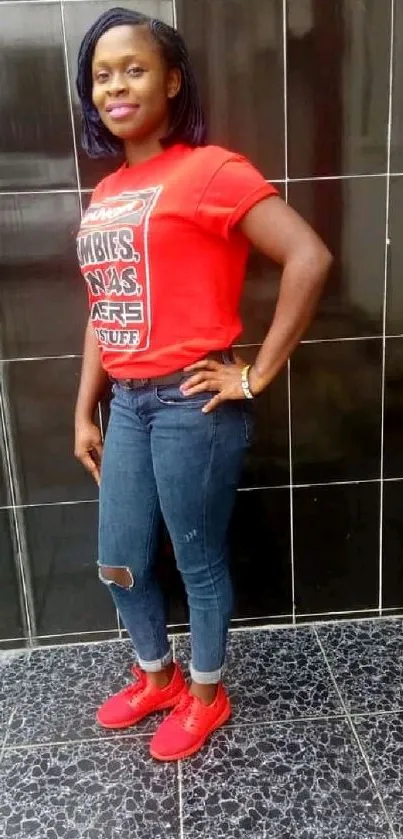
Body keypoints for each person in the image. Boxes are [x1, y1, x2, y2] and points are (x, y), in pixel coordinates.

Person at [74, 6, 332, 762]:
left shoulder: (211, 169)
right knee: (118, 556)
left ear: (172, 80)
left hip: (192, 402)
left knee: (197, 558)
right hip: (126, 403)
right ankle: (157, 675)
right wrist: (84, 406)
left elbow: (308, 257)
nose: (116, 85)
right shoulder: (106, 194)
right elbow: (104, 303)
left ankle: (207, 694)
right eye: (101, 75)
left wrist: (254, 372)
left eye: (134, 68)